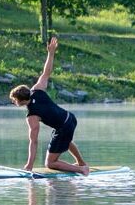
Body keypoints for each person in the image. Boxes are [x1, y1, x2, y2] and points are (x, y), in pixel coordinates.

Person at [9, 37, 89, 176]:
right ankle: (81, 162)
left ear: (21, 101)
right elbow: (46, 72)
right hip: (70, 118)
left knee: (50, 163)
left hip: (64, 126)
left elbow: (33, 142)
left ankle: (81, 169)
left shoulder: (32, 116)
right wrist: (51, 53)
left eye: (14, 100)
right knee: (65, 139)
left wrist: (29, 166)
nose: (13, 102)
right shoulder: (37, 89)